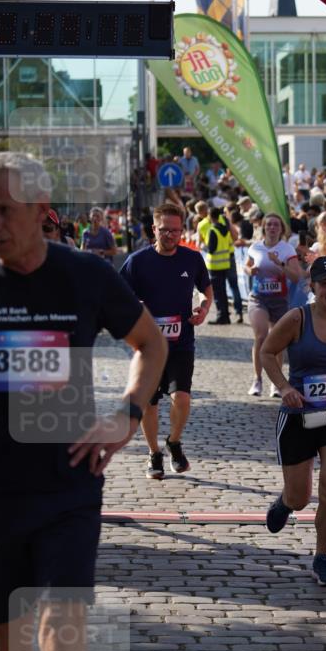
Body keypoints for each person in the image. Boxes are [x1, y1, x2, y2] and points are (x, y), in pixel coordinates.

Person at [0, 151, 167, 651]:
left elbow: (149, 343)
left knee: (62, 637)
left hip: (67, 487)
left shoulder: (86, 275)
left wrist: (124, 411)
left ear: (39, 211)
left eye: (2, 208)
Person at [260, 256, 326, 586]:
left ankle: (322, 558)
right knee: (300, 496)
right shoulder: (297, 318)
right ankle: (285, 502)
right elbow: (267, 351)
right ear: (313, 288)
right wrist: (284, 387)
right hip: (298, 416)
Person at [120, 202, 213, 478]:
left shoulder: (191, 258)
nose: (170, 235)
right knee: (149, 403)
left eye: (175, 230)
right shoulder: (137, 261)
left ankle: (173, 441)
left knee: (181, 398)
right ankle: (154, 454)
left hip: (181, 342)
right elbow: (118, 296)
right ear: (154, 229)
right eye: (164, 230)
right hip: (147, 346)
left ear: (182, 230)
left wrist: (204, 308)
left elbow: (206, 289)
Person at [244, 213, 303, 397]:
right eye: (268, 224)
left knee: (277, 342)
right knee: (261, 336)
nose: (272, 227)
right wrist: (250, 270)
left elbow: (296, 276)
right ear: (263, 227)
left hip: (279, 301)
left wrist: (281, 264)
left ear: (281, 229)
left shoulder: (287, 250)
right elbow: (246, 266)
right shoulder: (255, 247)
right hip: (258, 298)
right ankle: (257, 379)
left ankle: (276, 383)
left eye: (276, 225)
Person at [205, 206, 237, 325]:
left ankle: (221, 316)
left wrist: (205, 247)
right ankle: (225, 316)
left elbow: (211, 249)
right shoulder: (225, 229)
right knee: (223, 292)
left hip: (215, 266)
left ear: (210, 216)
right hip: (225, 264)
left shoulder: (212, 230)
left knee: (218, 293)